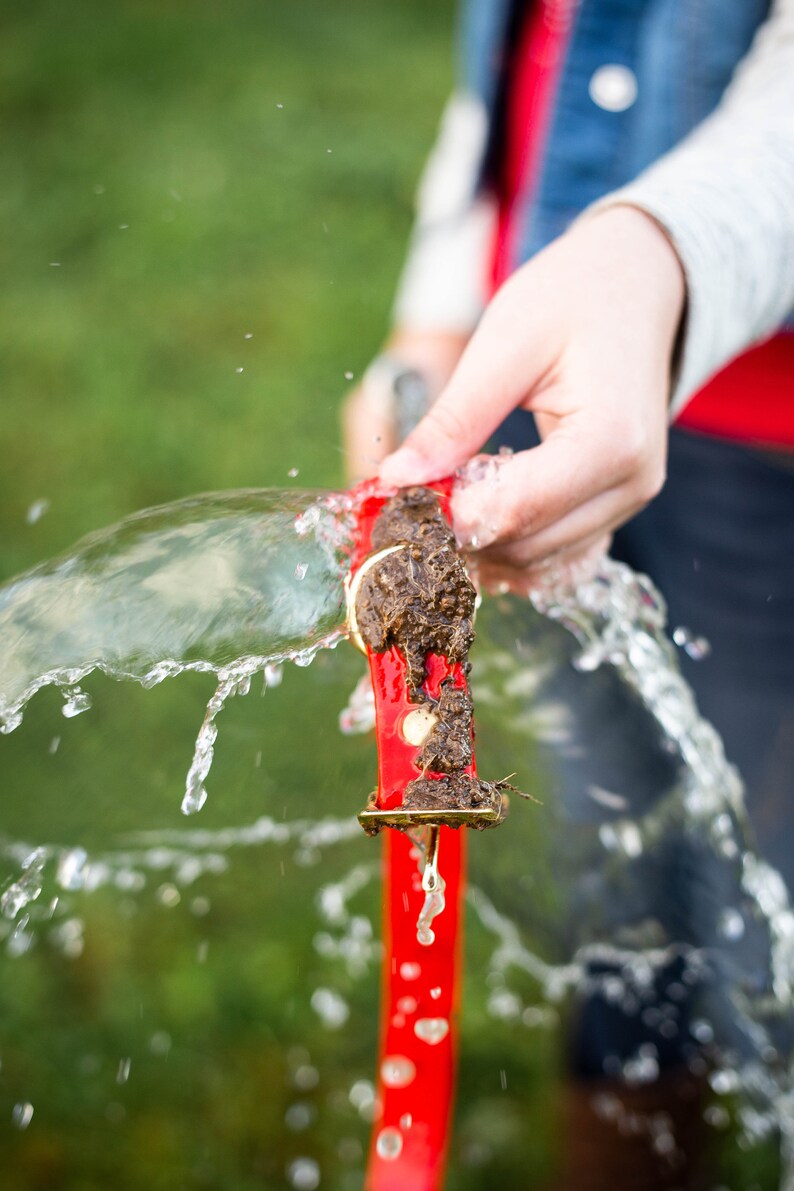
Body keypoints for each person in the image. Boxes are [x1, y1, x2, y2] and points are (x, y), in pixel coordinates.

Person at [342, 2, 794, 1186]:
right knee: (619, 881)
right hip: (540, 365)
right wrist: (437, 309)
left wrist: (662, 253)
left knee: (763, 903)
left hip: (765, 433)